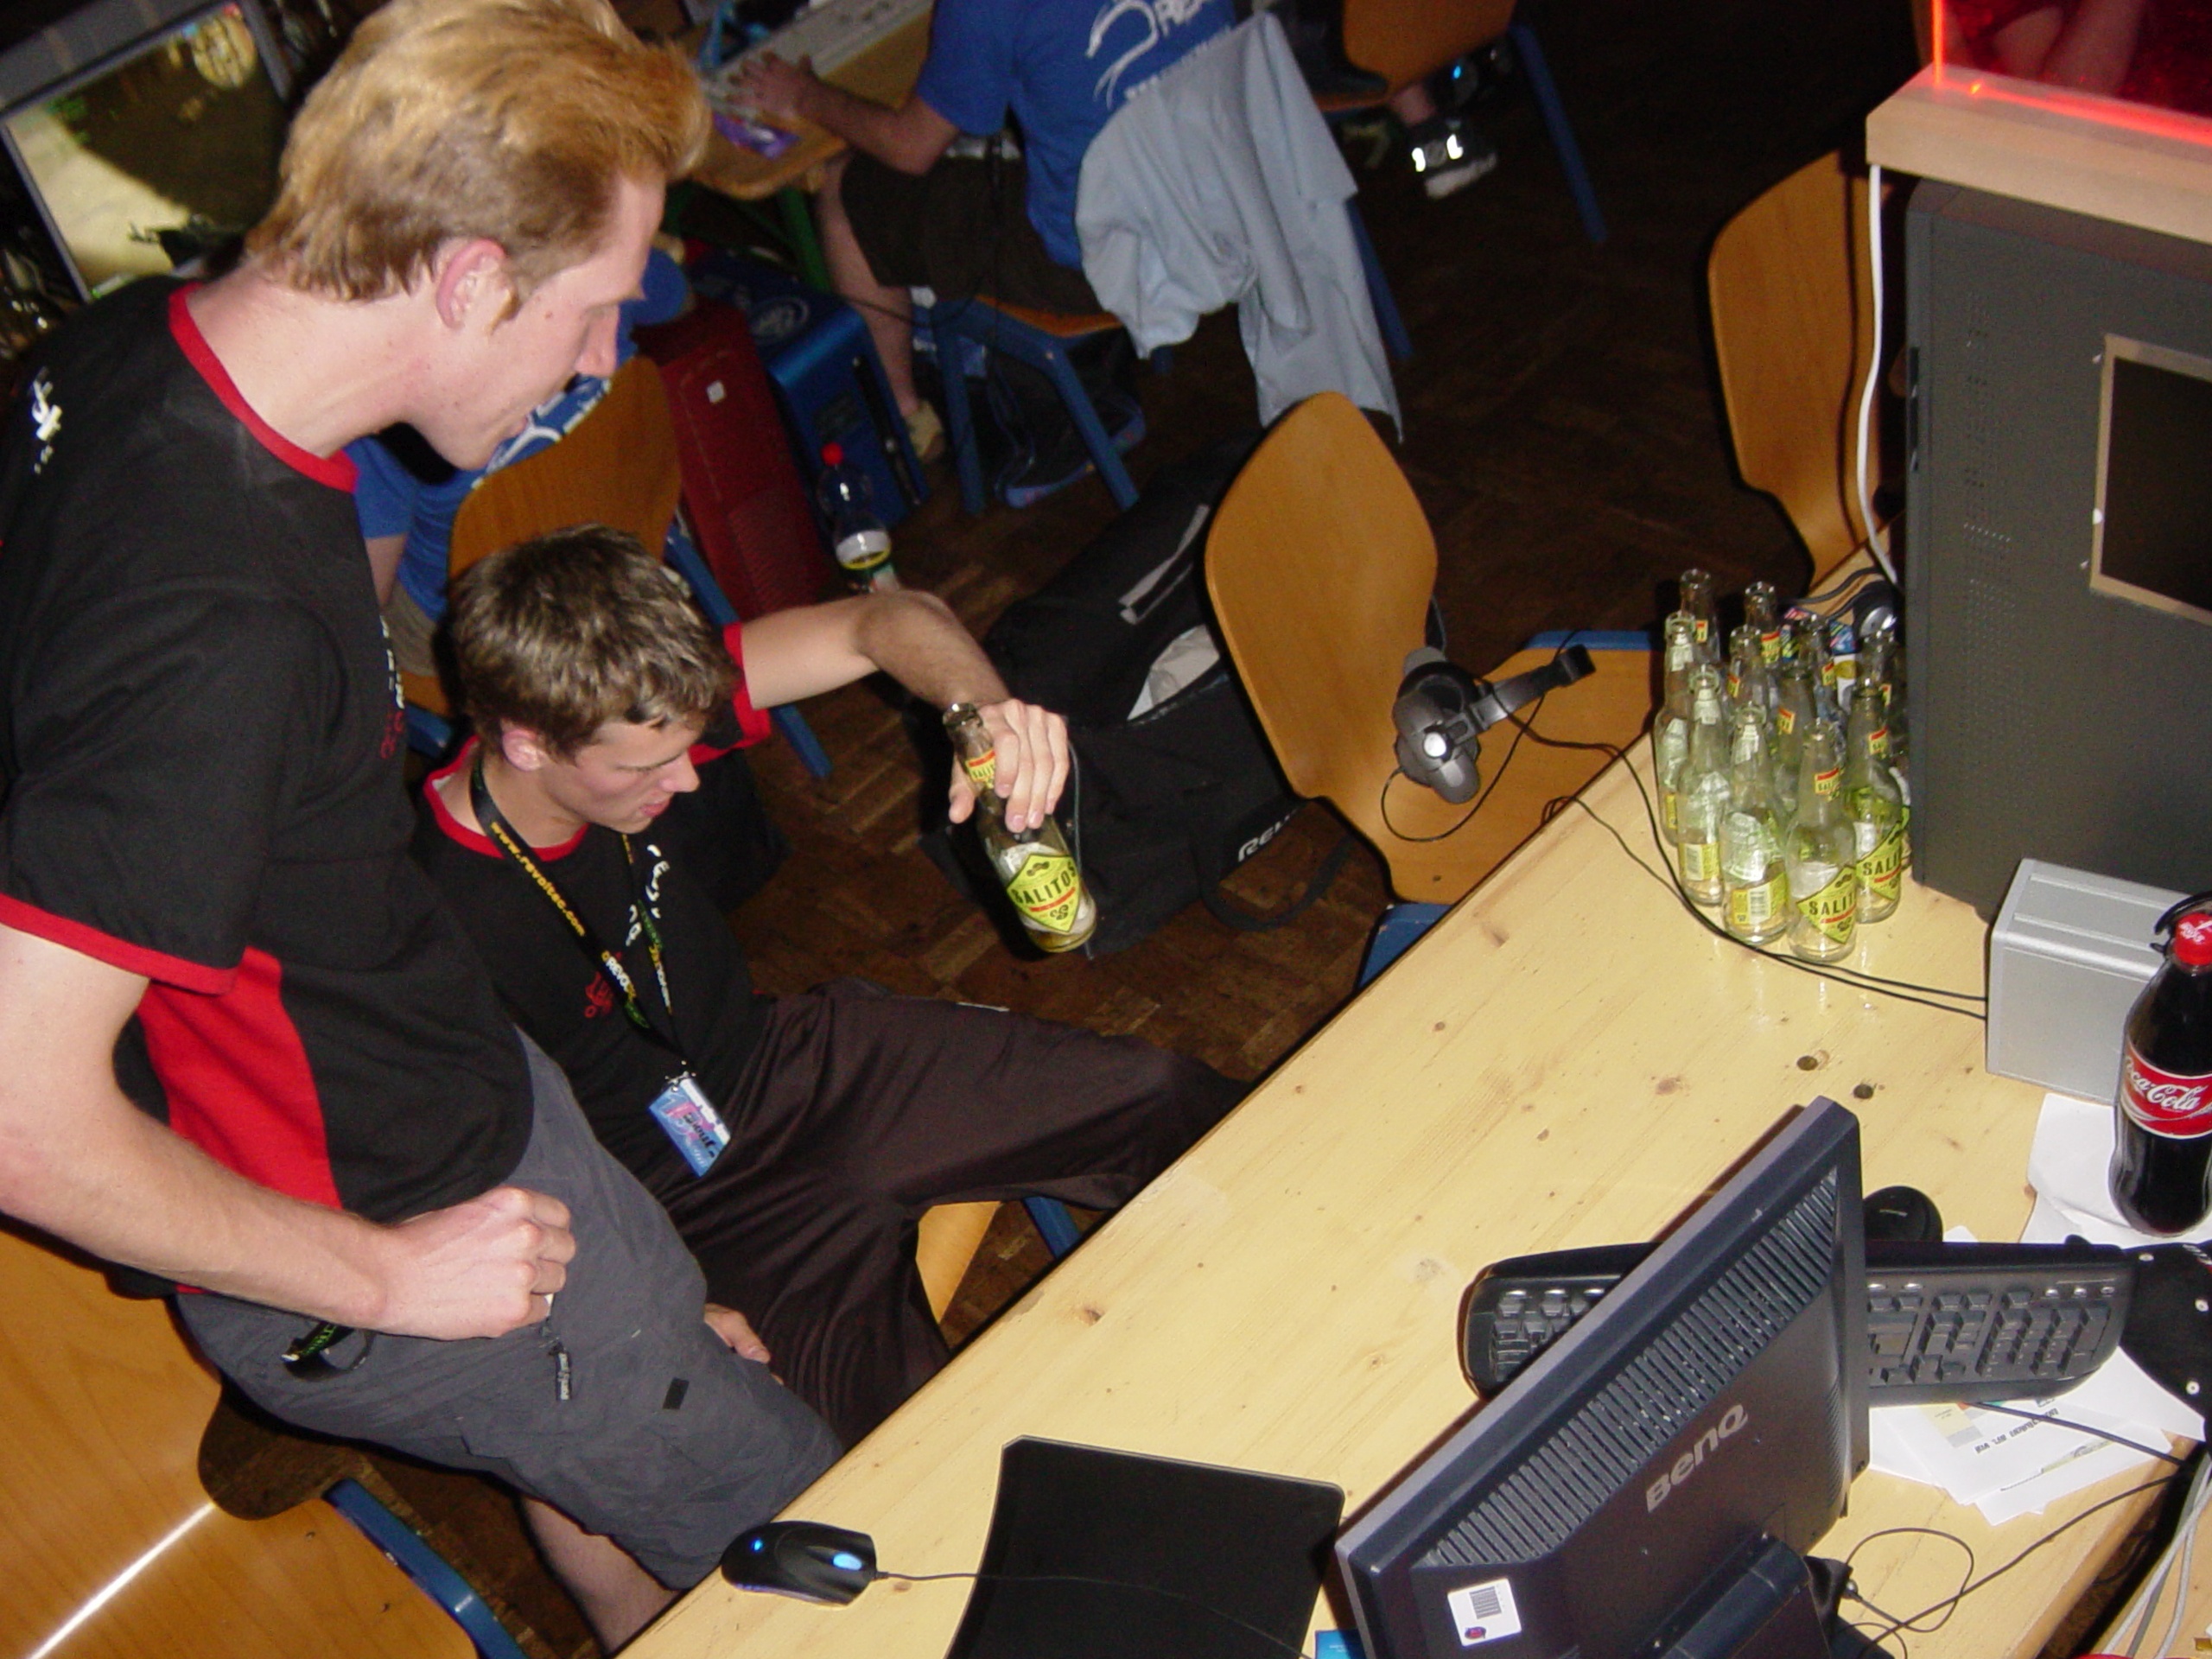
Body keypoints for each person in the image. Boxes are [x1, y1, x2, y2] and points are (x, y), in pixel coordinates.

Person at [0, 2, 842, 1645]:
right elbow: (20, 1114)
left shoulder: (126, 352)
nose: (599, 363)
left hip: (406, 1086)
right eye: (592, 312)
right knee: (815, 1541)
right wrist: (392, 1281)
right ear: (466, 279)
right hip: (387, 1215)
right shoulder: (218, 624)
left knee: (614, 1472)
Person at [414, 526, 1245, 1447]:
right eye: (647, 767)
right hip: (680, 1201)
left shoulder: (627, 699)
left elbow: (885, 620)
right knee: (918, 1450)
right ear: (528, 743)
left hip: (795, 1063)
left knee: (1166, 1100)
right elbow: (464, 1194)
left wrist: (984, 715)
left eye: (685, 747)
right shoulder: (429, 925)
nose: (686, 781)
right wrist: (657, 1304)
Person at [734, 0, 1235, 461]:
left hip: (1104, 262)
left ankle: (906, 423)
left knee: (847, 185)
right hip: (1226, 199)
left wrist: (806, 94)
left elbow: (910, 148)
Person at [347, 242, 690, 676]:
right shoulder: (600, 269)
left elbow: (364, 602)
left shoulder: (383, 421)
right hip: (618, 555)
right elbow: (679, 299)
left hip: (483, 628)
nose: (600, 359)